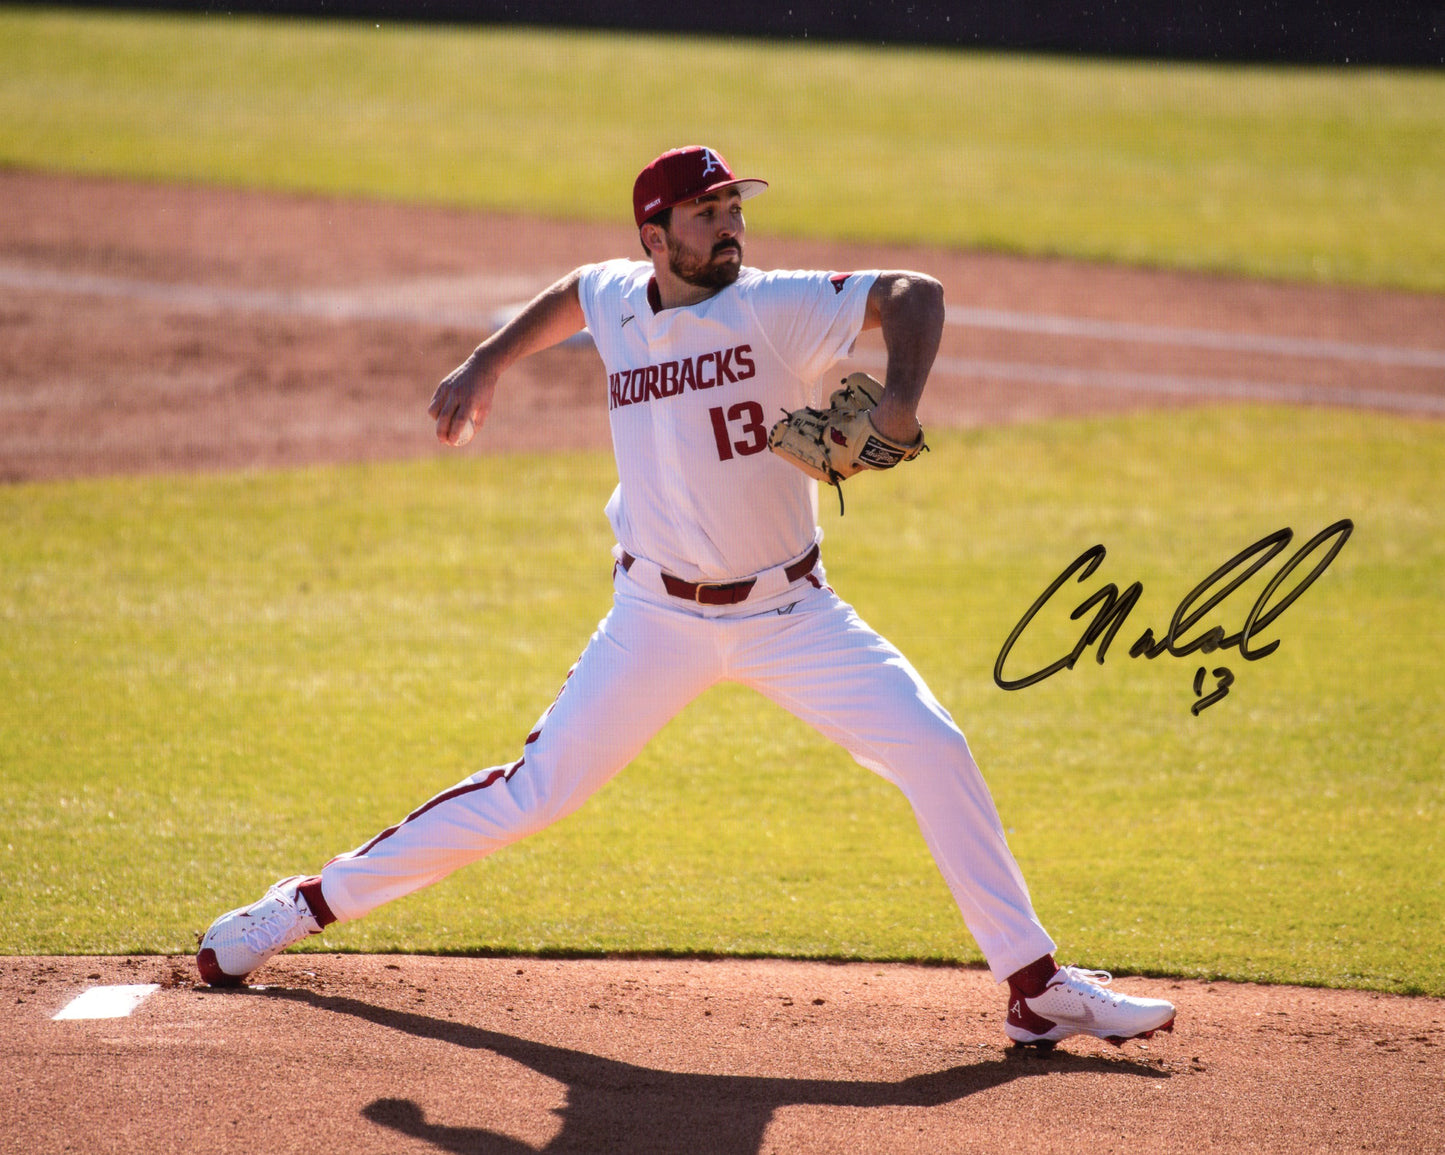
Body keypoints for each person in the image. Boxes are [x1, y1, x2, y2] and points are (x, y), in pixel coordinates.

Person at [197, 146, 1175, 1050]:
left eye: (729, 208)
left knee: (932, 747)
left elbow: (915, 293)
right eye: (703, 213)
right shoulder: (622, 296)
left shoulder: (774, 305)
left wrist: (903, 398)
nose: (726, 225)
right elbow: (576, 295)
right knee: (530, 794)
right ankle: (301, 906)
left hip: (792, 615)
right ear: (654, 239)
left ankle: (1033, 986)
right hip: (654, 621)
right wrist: (487, 359)